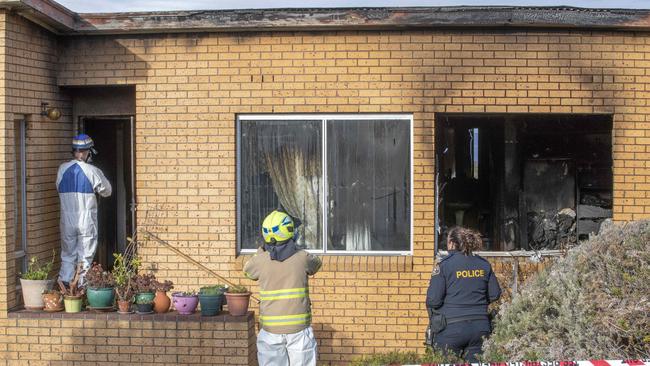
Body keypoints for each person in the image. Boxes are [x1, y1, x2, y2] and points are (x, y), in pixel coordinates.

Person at [244, 210, 322, 366]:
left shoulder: (260, 260)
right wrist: (296, 247)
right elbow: (317, 264)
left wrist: (262, 249)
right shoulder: (302, 257)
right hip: (299, 330)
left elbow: (248, 271)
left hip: (270, 331)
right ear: (289, 231)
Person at [425, 227, 501, 362]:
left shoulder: (444, 265)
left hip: (451, 330)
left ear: (453, 243)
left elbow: (433, 301)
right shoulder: (483, 264)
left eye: (447, 241)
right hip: (480, 328)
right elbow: (495, 294)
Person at [56, 134, 112, 285]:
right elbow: (107, 191)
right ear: (88, 151)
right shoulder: (92, 171)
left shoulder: (62, 170)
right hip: (86, 219)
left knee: (67, 255)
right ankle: (82, 288)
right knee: (85, 257)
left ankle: (65, 288)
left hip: (67, 220)